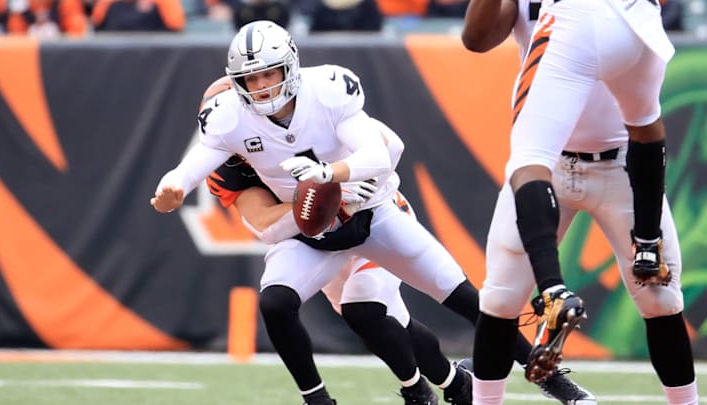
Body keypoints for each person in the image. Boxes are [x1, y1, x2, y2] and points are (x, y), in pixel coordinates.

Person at [151, 20, 590, 405]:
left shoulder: (326, 90)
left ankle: (551, 378)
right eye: (250, 80)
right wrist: (174, 185)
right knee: (278, 302)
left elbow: (384, 152)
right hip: (313, 235)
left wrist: (332, 176)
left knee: (466, 300)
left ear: (290, 67)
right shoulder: (227, 127)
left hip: (373, 214)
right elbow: (247, 208)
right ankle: (324, 398)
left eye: (269, 74)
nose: (262, 88)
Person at [462, 0, 699, 403]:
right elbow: (477, 38)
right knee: (500, 298)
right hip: (555, 162)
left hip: (619, 163)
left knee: (661, 301)